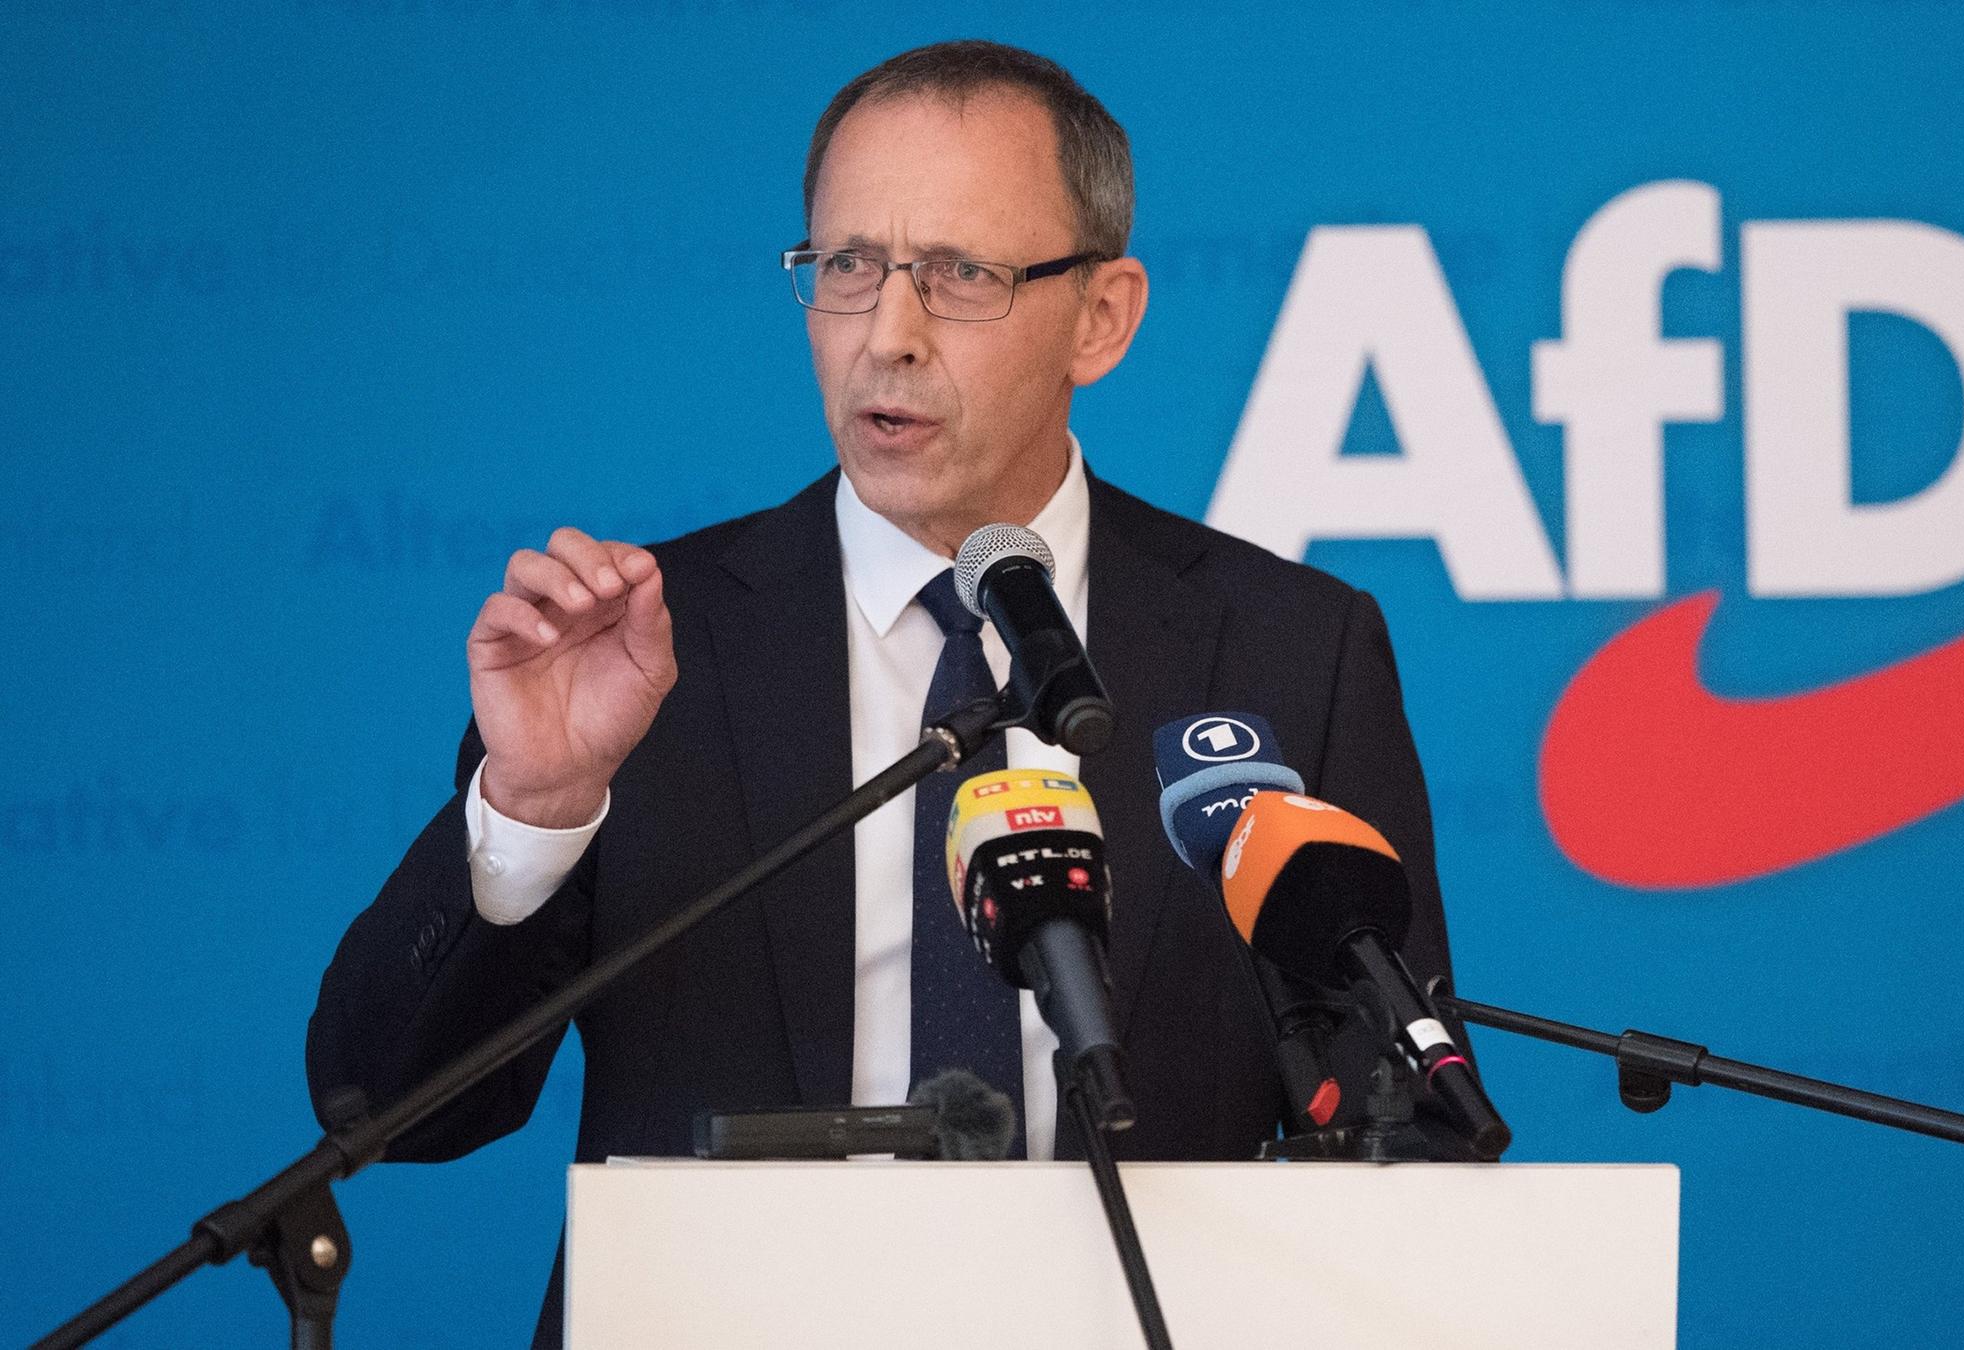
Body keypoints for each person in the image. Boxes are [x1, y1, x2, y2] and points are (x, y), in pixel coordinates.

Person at [306, 39, 1453, 1346]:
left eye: (961, 275)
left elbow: (1406, 1109)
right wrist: (536, 805)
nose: (888, 337)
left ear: (1103, 317)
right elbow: (379, 1102)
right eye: (849, 266)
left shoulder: (1288, 647)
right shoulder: (637, 651)